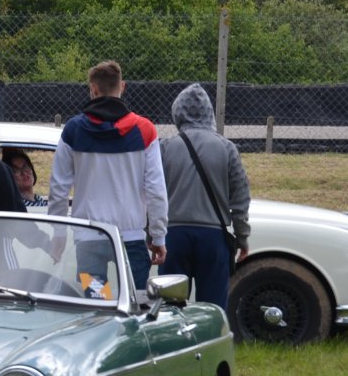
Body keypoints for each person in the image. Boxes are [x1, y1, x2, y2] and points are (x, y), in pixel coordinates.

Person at [48, 60, 168, 293]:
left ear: (93, 89)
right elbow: (156, 189)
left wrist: (59, 232)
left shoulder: (73, 130)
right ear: (122, 86)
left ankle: (99, 305)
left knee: (97, 302)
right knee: (134, 302)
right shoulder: (145, 130)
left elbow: (58, 188)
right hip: (131, 238)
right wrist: (158, 236)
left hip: (88, 239)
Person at [159, 82, 250, 311]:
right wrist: (242, 236)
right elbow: (240, 197)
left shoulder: (165, 147)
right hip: (213, 237)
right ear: (209, 113)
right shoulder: (227, 148)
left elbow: (153, 193)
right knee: (213, 308)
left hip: (174, 235)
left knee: (170, 307)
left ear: (177, 112)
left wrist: (153, 233)